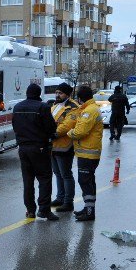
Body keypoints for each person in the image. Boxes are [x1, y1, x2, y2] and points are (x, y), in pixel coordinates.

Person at [12, 83, 59, 221]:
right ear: (39, 94)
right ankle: (44, 210)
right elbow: (51, 127)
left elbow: (15, 126)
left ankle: (30, 210)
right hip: (39, 147)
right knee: (44, 179)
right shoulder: (43, 107)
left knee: (28, 180)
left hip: (23, 148)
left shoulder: (17, 107)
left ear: (27, 92)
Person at [68, 85, 103, 222]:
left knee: (85, 181)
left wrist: (69, 133)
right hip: (88, 153)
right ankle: (88, 208)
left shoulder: (89, 111)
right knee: (88, 181)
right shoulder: (90, 109)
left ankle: (89, 212)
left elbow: (79, 132)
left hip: (88, 154)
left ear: (80, 98)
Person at [50, 82, 80, 212]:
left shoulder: (73, 107)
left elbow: (67, 125)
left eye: (60, 93)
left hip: (65, 145)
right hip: (53, 145)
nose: (57, 95)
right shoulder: (55, 105)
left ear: (67, 94)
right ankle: (60, 197)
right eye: (56, 92)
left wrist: (53, 134)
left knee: (66, 174)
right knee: (57, 173)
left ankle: (68, 202)